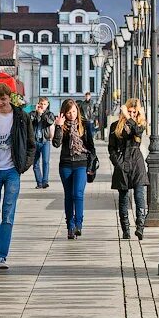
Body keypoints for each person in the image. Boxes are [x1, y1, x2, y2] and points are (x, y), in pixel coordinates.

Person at [0, 83, 35, 269]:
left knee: (8, 213)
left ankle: (1, 255)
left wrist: (23, 166)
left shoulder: (21, 116)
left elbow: (31, 143)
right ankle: (0, 244)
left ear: (9, 98)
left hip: (13, 170)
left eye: (3, 99)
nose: (0, 103)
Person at [52, 99, 96, 239]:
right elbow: (56, 144)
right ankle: (70, 227)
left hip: (81, 164)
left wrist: (91, 167)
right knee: (69, 196)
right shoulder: (62, 125)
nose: (72, 115)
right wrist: (58, 127)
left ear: (77, 110)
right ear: (64, 113)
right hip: (65, 164)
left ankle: (78, 225)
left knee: (78, 194)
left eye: (74, 111)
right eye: (69, 112)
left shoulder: (85, 125)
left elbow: (91, 148)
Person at [108, 99, 149, 240]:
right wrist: (117, 163)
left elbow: (137, 132)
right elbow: (111, 148)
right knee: (123, 197)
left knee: (139, 195)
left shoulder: (139, 125)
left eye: (134, 112)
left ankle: (140, 227)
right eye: (128, 111)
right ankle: (125, 229)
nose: (131, 114)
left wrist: (129, 118)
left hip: (136, 161)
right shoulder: (115, 126)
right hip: (122, 161)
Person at [29, 97, 55, 189]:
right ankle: (39, 182)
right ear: (38, 104)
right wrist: (36, 113)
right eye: (41, 104)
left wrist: (42, 114)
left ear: (47, 105)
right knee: (35, 163)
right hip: (34, 142)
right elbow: (29, 122)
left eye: (44, 104)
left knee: (46, 162)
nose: (42, 106)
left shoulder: (50, 114)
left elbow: (50, 122)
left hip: (45, 141)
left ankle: (45, 181)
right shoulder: (32, 114)